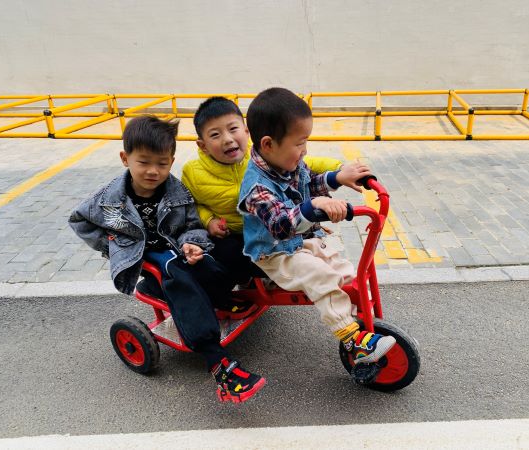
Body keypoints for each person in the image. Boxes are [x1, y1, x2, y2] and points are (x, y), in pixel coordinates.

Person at [68, 115, 264, 403]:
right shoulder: (109, 199)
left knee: (209, 263)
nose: (153, 171)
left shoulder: (176, 192)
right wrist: (114, 245)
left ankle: (216, 297)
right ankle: (217, 360)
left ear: (171, 162)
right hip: (148, 256)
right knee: (176, 273)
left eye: (161, 163)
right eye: (143, 162)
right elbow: (79, 220)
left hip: (176, 248)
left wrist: (192, 243)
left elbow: (192, 225)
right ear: (125, 158)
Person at [238, 87, 396, 382]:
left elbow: (309, 184)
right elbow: (280, 226)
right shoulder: (256, 188)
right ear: (268, 144)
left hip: (301, 242)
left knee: (344, 270)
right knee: (320, 276)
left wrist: (338, 178)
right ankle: (352, 339)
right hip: (274, 254)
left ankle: (359, 323)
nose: (305, 150)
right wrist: (313, 207)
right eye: (300, 143)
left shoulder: (287, 162)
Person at [181, 96, 342, 284]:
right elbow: (192, 205)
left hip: (267, 225)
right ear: (203, 146)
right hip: (233, 233)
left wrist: (340, 169)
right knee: (226, 254)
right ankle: (247, 284)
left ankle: (273, 276)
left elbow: (305, 162)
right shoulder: (192, 173)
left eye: (233, 129)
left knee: (289, 246)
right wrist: (209, 220)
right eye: (215, 135)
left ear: (246, 131)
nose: (228, 139)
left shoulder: (262, 155)